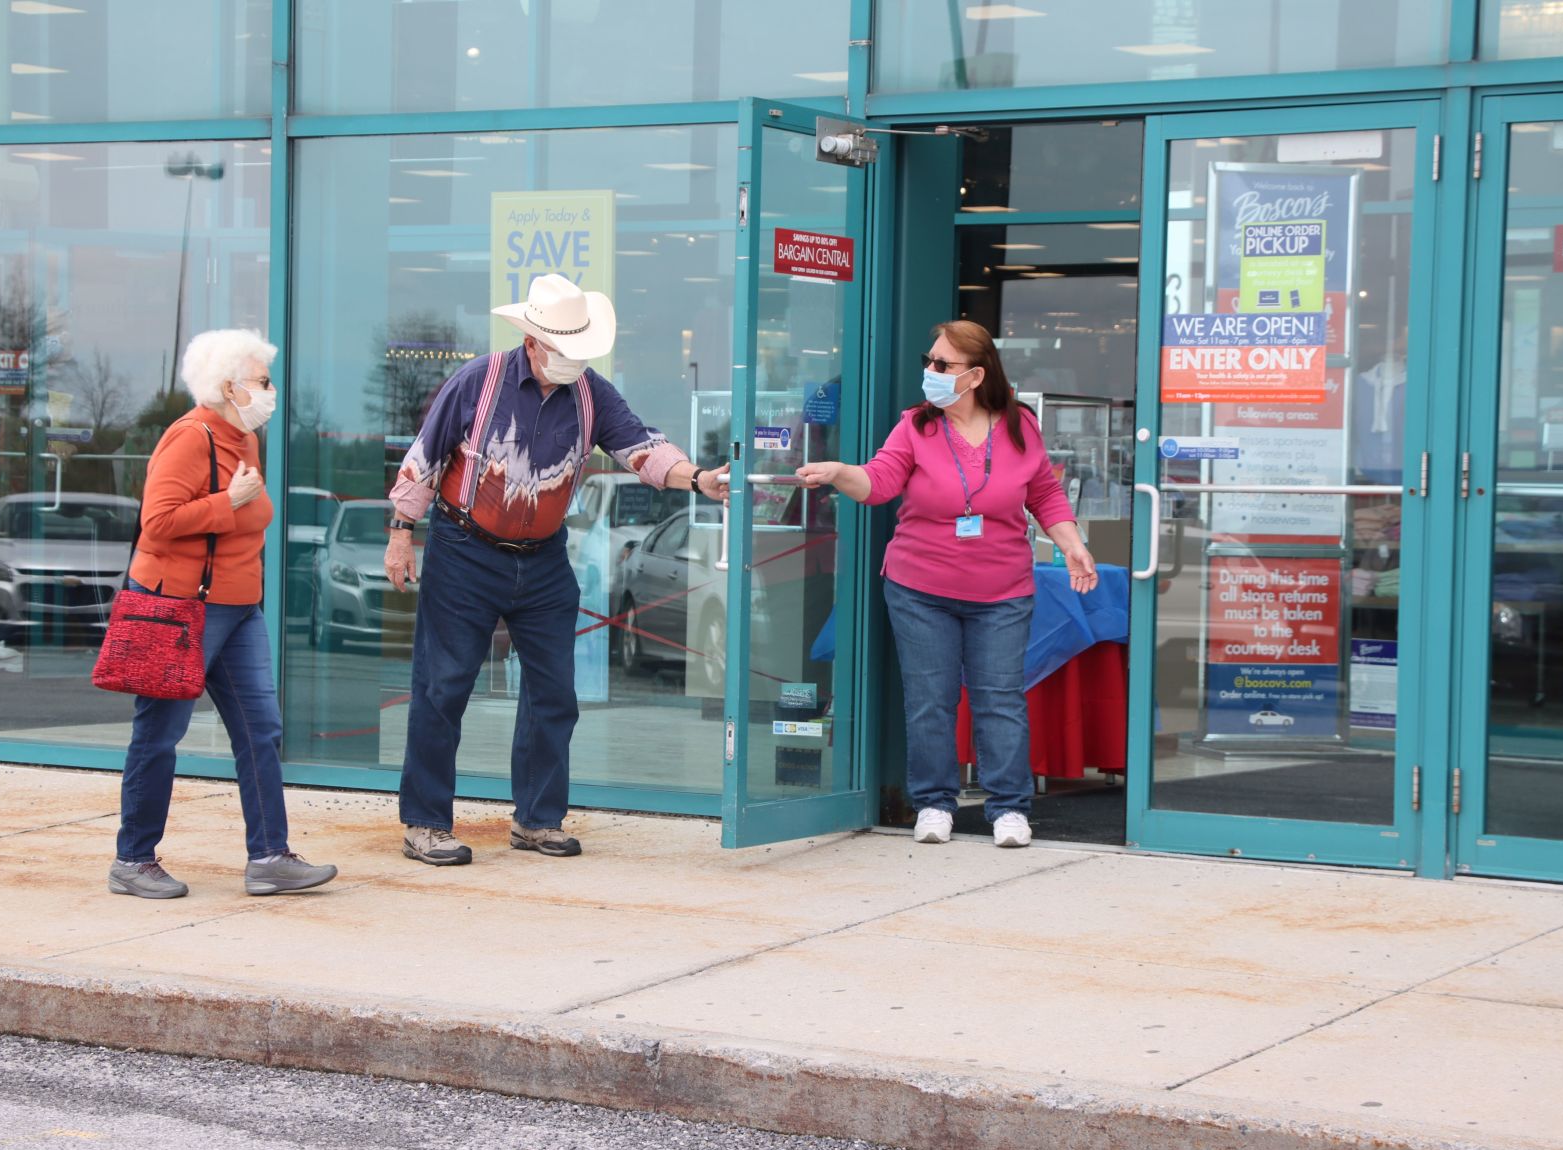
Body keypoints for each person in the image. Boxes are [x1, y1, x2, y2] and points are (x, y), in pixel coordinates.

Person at [385, 274, 729, 866]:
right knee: (442, 687)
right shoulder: (477, 381)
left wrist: (697, 477)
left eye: (581, 350)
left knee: (554, 693)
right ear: (533, 342)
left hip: (543, 560)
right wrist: (399, 536)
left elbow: (641, 447)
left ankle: (538, 820)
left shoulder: (593, 394)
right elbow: (425, 457)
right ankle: (425, 823)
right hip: (464, 550)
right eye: (565, 349)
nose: (575, 361)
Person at [797, 320, 1097, 848]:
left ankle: (1009, 808)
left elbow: (1044, 493)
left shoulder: (1020, 425)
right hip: (919, 588)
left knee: (999, 699)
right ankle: (934, 804)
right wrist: (841, 471)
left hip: (1002, 590)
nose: (929, 372)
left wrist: (1072, 543)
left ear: (976, 375)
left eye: (942, 365)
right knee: (930, 700)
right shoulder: (916, 426)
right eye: (928, 360)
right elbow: (880, 481)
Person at [108, 328, 337, 899]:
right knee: (160, 733)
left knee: (261, 730)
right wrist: (226, 503)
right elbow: (156, 523)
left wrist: (235, 508)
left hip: (238, 610)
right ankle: (133, 860)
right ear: (229, 386)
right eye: (262, 380)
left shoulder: (243, 438)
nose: (271, 390)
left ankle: (270, 856)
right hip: (180, 608)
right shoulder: (190, 437)